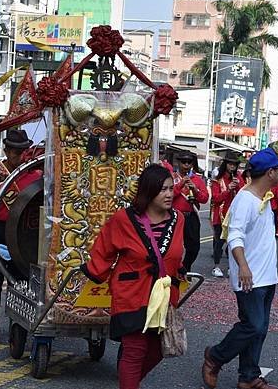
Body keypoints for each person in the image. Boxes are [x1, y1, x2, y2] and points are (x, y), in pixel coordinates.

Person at [80, 164, 185, 389]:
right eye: (163, 190)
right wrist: (95, 270)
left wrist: (180, 270)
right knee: (135, 350)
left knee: (158, 350)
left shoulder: (178, 220)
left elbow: (175, 254)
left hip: (164, 296)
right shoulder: (124, 219)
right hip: (132, 294)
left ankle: (130, 383)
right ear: (148, 191)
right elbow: (104, 247)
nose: (169, 194)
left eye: (170, 188)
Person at [201, 148, 278, 389]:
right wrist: (243, 267)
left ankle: (248, 377)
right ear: (270, 173)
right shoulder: (245, 200)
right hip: (250, 277)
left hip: (267, 276)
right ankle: (214, 356)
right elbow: (234, 237)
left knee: (259, 329)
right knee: (253, 325)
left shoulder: (263, 198)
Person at [0, 129, 43, 347]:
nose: (20, 156)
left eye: (23, 151)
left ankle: (20, 324)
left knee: (22, 281)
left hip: (25, 232)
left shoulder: (34, 172)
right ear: (6, 151)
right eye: (15, 152)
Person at [172, 151, 209, 271]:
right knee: (173, 247)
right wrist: (180, 185)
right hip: (174, 216)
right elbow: (167, 194)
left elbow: (205, 199)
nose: (186, 165)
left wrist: (195, 190)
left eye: (189, 162)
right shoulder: (171, 177)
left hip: (190, 215)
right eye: (183, 162)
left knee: (193, 247)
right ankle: (172, 269)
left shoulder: (197, 179)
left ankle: (185, 268)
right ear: (178, 162)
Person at [210, 152, 244, 277]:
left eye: (235, 164)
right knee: (219, 241)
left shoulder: (239, 178)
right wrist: (228, 189)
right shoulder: (217, 180)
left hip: (235, 215)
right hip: (220, 215)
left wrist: (238, 186)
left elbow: (243, 195)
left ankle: (231, 266)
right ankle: (216, 266)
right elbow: (216, 198)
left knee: (233, 241)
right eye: (230, 164)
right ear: (225, 164)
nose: (232, 167)